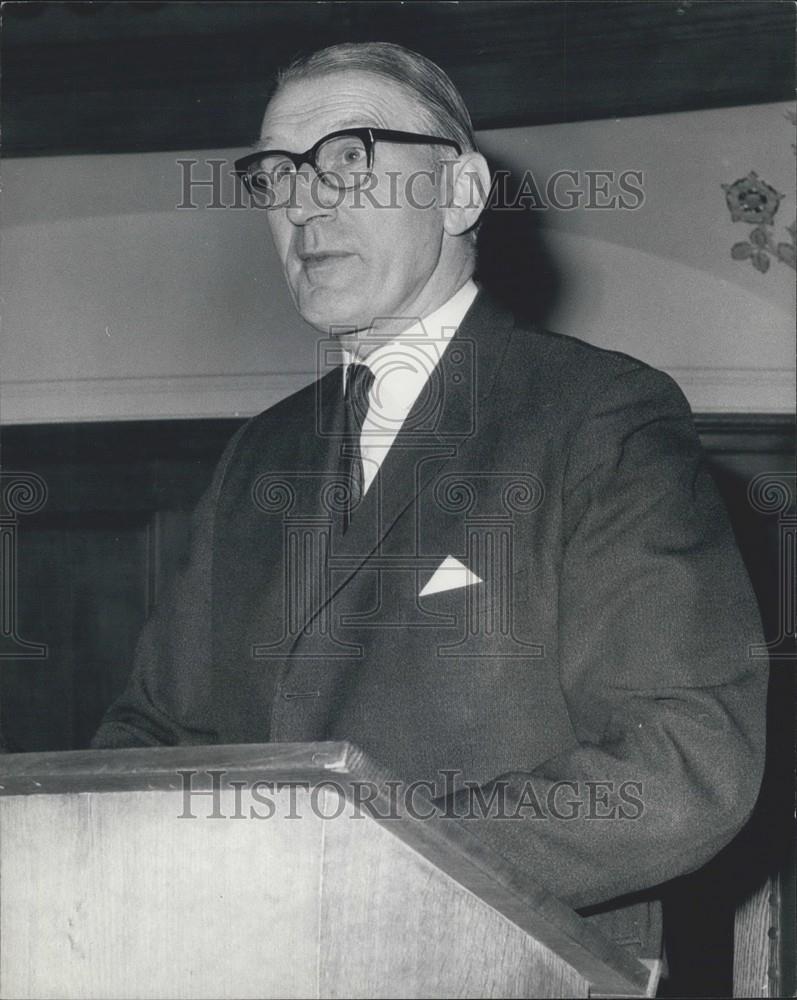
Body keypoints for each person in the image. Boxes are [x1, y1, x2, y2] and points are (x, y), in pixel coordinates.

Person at [92, 41, 767, 962]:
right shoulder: (262, 450)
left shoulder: (593, 417)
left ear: (459, 194)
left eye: (347, 158)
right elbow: (155, 729)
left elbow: (683, 768)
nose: (303, 204)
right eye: (276, 175)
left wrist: (360, 863)